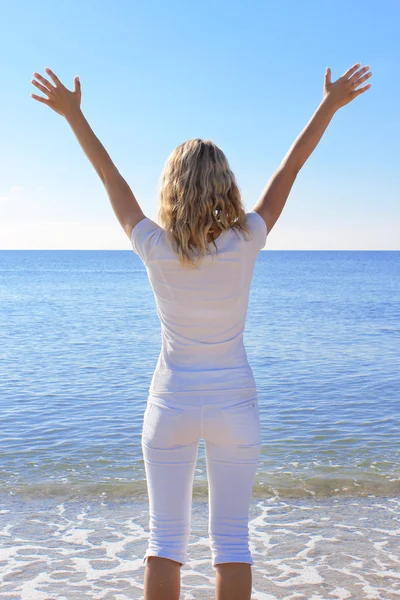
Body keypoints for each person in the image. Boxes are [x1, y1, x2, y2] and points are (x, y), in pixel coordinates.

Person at [31, 62, 372, 600]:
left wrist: (75, 116)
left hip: (171, 404)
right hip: (236, 403)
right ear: (227, 184)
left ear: (171, 188)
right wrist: (328, 106)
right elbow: (291, 171)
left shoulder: (155, 246)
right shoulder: (247, 239)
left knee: (165, 539)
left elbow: (110, 180)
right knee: (232, 541)